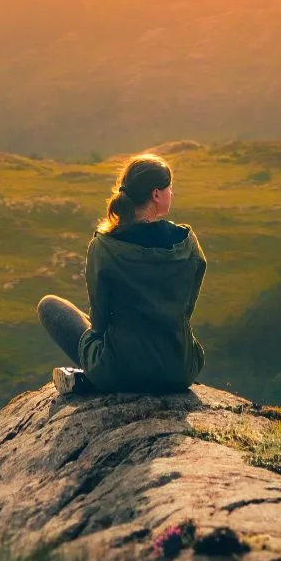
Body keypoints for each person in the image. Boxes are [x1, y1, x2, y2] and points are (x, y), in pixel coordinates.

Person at [36, 153, 207, 396]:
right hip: (179, 369)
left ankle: (89, 380)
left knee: (50, 306)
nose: (172, 193)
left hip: (120, 371)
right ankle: (94, 378)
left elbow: (100, 323)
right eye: (170, 188)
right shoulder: (188, 243)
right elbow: (186, 310)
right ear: (156, 194)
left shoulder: (104, 247)